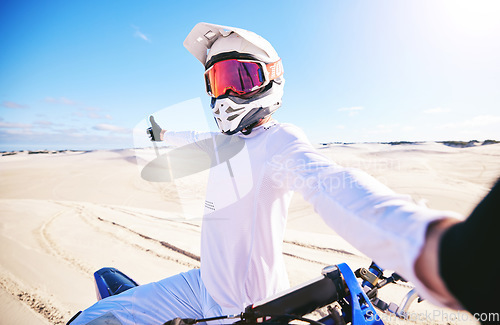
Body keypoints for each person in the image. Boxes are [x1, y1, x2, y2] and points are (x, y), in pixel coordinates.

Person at [70, 22, 490, 325]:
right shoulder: (224, 143)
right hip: (202, 284)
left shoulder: (279, 141)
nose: (229, 93)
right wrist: (161, 132)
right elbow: (190, 134)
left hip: (244, 307)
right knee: (91, 319)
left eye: (241, 76)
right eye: (218, 81)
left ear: (270, 80)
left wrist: (430, 245)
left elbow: (330, 184)